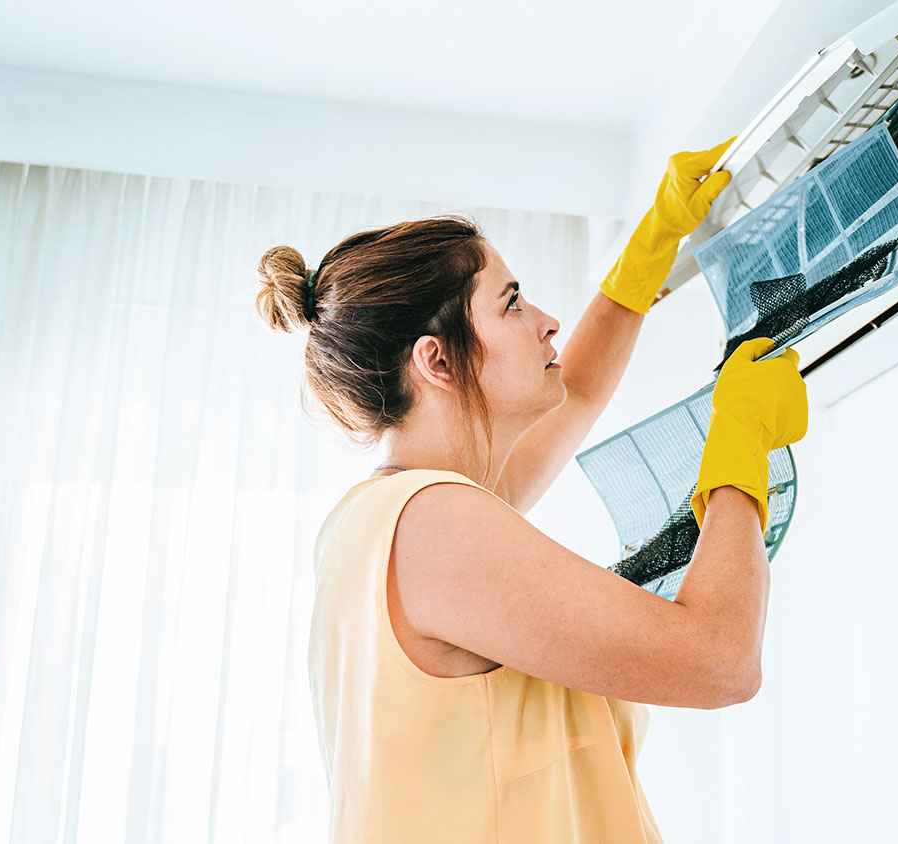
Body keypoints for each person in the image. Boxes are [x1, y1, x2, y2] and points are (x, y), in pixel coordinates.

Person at [253, 138, 810, 843]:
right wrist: (741, 443)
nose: (545, 320)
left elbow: (571, 394)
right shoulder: (436, 526)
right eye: (511, 303)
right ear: (438, 359)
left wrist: (647, 259)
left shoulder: (391, 520)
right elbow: (721, 659)